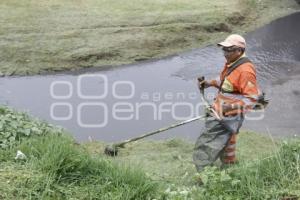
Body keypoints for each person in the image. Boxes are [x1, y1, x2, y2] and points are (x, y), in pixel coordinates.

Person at [193, 34, 261, 171]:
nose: (225, 53)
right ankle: (229, 166)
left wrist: (230, 107)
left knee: (206, 143)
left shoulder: (246, 70)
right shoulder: (232, 64)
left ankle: (203, 173)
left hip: (228, 115)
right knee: (228, 140)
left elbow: (252, 98)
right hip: (221, 111)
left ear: (239, 51)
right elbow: (225, 82)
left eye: (228, 50)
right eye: (224, 50)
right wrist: (208, 83)